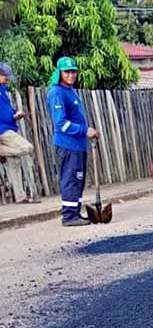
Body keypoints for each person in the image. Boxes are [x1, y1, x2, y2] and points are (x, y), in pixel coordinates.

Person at [47, 57, 100, 226]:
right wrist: (85, 130)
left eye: (73, 71)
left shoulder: (70, 90)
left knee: (78, 179)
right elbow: (61, 124)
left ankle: (75, 212)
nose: (71, 75)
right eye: (67, 72)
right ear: (59, 73)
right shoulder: (57, 92)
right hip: (67, 145)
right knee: (70, 179)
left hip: (78, 145)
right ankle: (69, 216)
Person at [0, 62, 40, 203]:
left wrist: (15, 114)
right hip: (2, 130)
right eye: (5, 77)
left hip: (9, 126)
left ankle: (20, 196)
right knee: (27, 148)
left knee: (15, 162)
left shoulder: (2, 89)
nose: (7, 79)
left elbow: (4, 109)